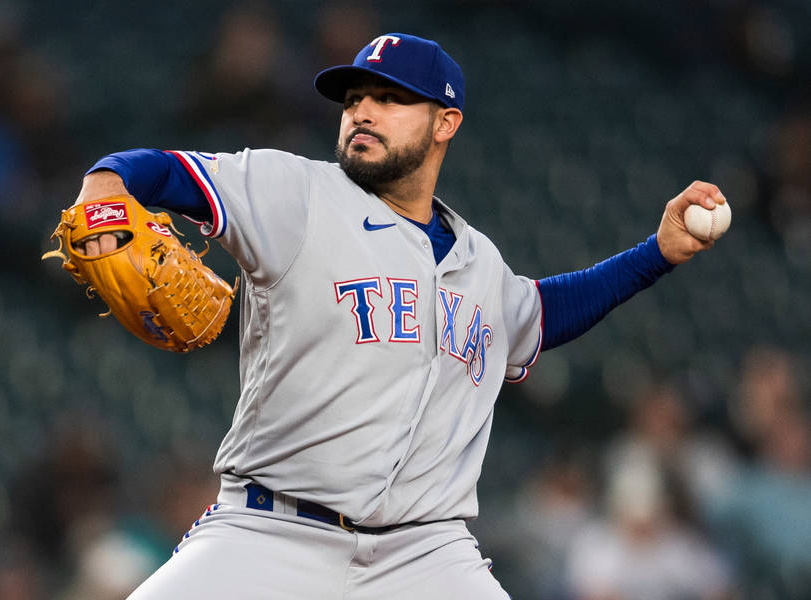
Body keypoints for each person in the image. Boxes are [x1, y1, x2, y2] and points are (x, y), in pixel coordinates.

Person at [70, 33, 726, 599]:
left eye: (389, 98)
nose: (362, 111)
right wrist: (103, 189)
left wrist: (658, 253)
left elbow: (542, 313)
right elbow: (159, 170)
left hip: (426, 555)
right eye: (354, 98)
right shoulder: (294, 194)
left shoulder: (480, 263)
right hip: (270, 532)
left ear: (446, 122)